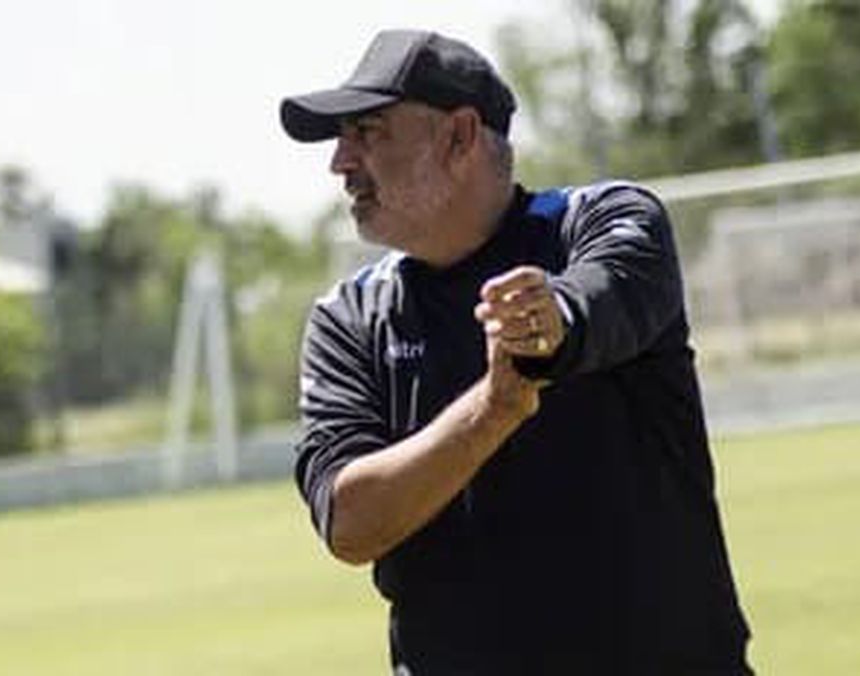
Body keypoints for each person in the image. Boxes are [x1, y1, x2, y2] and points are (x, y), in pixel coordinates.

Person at [280, 29, 753, 674]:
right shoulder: (350, 317)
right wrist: (495, 408)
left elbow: (600, 301)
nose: (340, 162)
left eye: (368, 131)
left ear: (459, 137)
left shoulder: (602, 220)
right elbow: (350, 522)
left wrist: (550, 324)